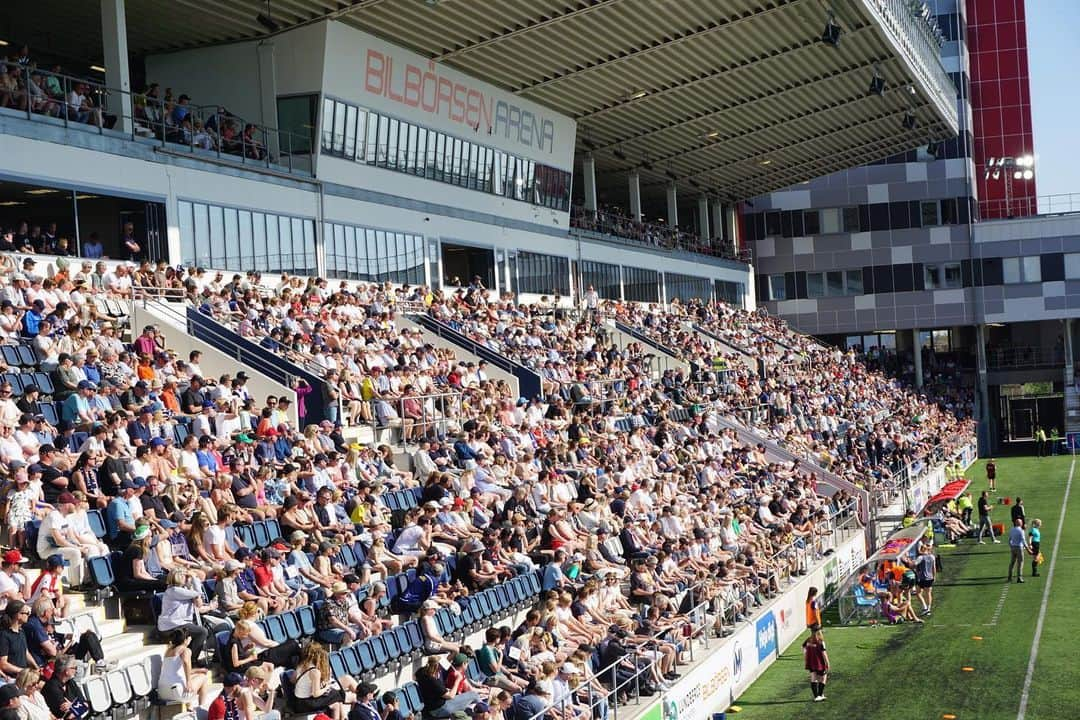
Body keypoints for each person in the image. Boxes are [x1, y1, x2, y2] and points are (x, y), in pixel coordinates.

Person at [292, 642, 357, 720]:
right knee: (336, 693)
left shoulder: (301, 665)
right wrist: (326, 687)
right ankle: (348, 707)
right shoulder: (315, 672)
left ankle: (343, 716)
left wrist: (305, 686)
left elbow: (292, 680)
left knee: (336, 703)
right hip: (307, 704)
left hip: (299, 702)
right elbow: (316, 694)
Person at [157, 628, 213, 708]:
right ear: (185, 639)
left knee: (197, 675)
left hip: (162, 691)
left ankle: (190, 705)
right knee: (203, 678)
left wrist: (199, 670)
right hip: (176, 692)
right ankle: (201, 708)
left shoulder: (168, 651)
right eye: (189, 637)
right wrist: (188, 682)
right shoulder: (185, 650)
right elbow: (186, 663)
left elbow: (180, 671)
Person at [41, 655, 88, 720]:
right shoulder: (52, 686)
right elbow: (67, 715)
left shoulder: (70, 682)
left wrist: (72, 706)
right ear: (66, 671)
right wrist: (77, 707)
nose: (76, 670)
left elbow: (85, 704)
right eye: (74, 668)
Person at [802, 629, 829, 702]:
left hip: (810, 662)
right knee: (823, 677)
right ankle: (820, 694)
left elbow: (803, 647)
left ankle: (816, 696)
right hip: (819, 662)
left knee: (813, 677)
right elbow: (824, 653)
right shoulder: (820, 641)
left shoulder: (808, 640)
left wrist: (805, 657)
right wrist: (827, 663)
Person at [1007, 517, 1032, 584]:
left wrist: (1011, 546)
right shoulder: (1021, 531)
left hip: (1013, 547)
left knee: (1012, 563)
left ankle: (1009, 577)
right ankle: (1019, 578)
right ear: (1020, 524)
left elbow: (1009, 540)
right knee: (1020, 563)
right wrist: (1028, 550)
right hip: (1019, 548)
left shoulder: (1012, 529)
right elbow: (1023, 541)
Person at [914, 548, 935, 615]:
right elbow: (934, 567)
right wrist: (934, 576)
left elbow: (914, 564)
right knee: (928, 593)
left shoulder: (920, 557)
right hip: (930, 577)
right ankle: (928, 609)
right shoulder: (932, 557)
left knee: (918, 593)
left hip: (921, 578)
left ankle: (925, 607)